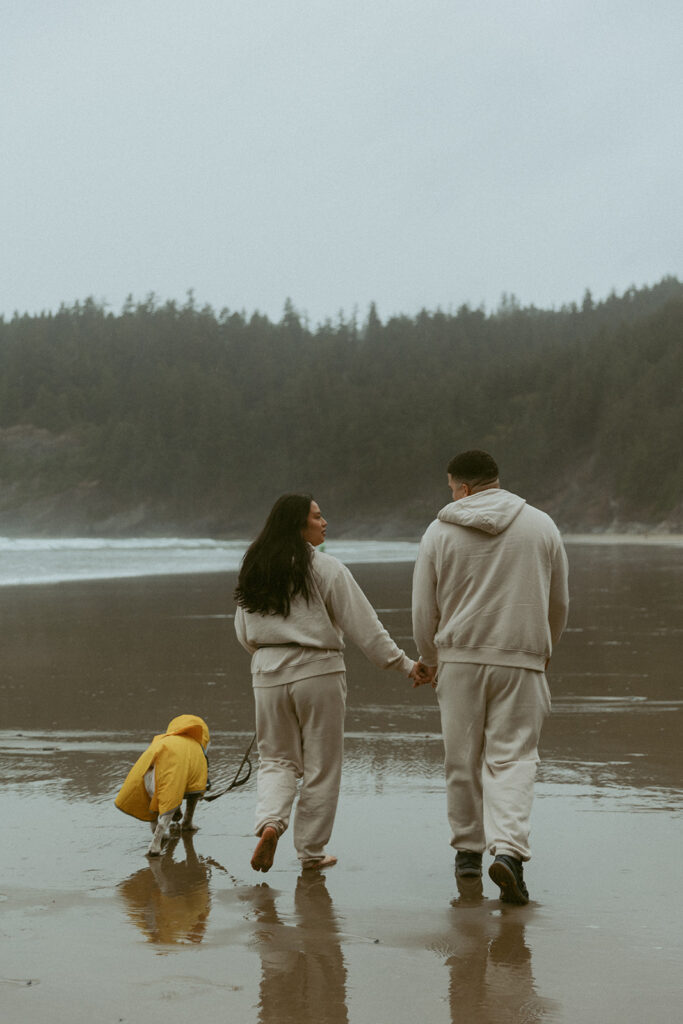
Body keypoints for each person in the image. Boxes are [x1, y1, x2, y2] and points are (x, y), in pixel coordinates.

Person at [235, 493, 428, 873]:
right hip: (317, 669)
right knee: (322, 766)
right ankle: (310, 852)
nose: (325, 523)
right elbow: (366, 628)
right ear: (298, 525)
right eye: (318, 517)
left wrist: (269, 662)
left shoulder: (254, 569)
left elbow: (243, 631)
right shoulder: (326, 568)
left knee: (276, 759)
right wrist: (406, 665)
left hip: (267, 669)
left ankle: (270, 823)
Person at [411, 450, 569, 903]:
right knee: (514, 759)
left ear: (460, 487)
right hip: (522, 658)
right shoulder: (542, 525)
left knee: (461, 760)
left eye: (450, 488)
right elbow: (559, 601)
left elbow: (425, 607)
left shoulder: (439, 532)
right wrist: (544, 648)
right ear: (495, 480)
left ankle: (466, 853)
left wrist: (430, 656)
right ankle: (510, 855)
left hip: (458, 661)